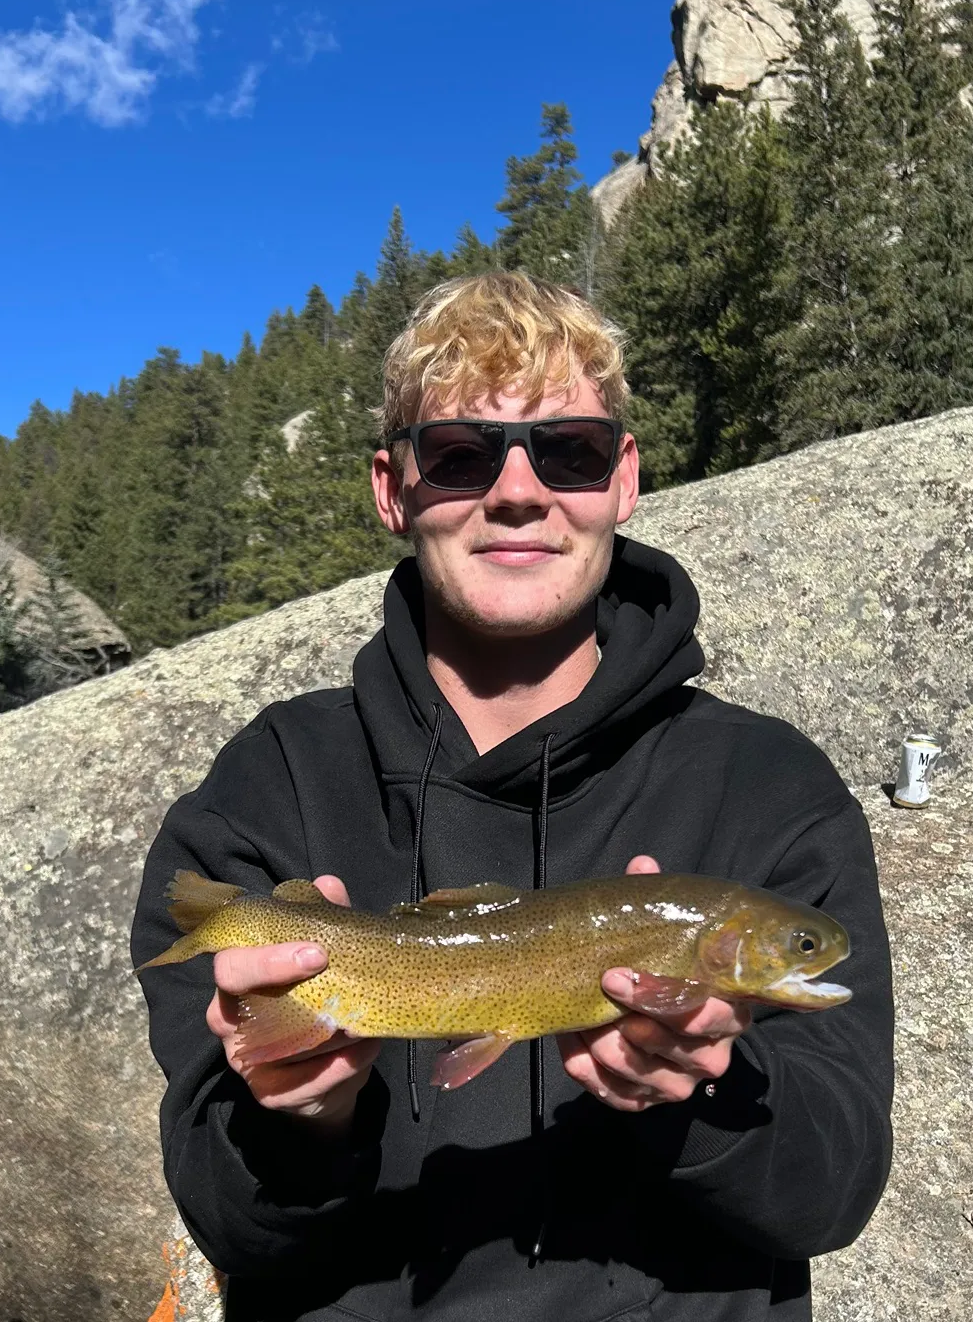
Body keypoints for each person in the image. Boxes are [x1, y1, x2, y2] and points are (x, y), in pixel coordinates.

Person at [131, 272, 894, 1321]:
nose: (520, 492)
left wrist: (702, 1096)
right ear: (392, 490)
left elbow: (833, 1196)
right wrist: (296, 1120)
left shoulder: (769, 788)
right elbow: (231, 1227)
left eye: (568, 450)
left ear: (623, 478)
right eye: (460, 456)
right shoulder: (266, 789)